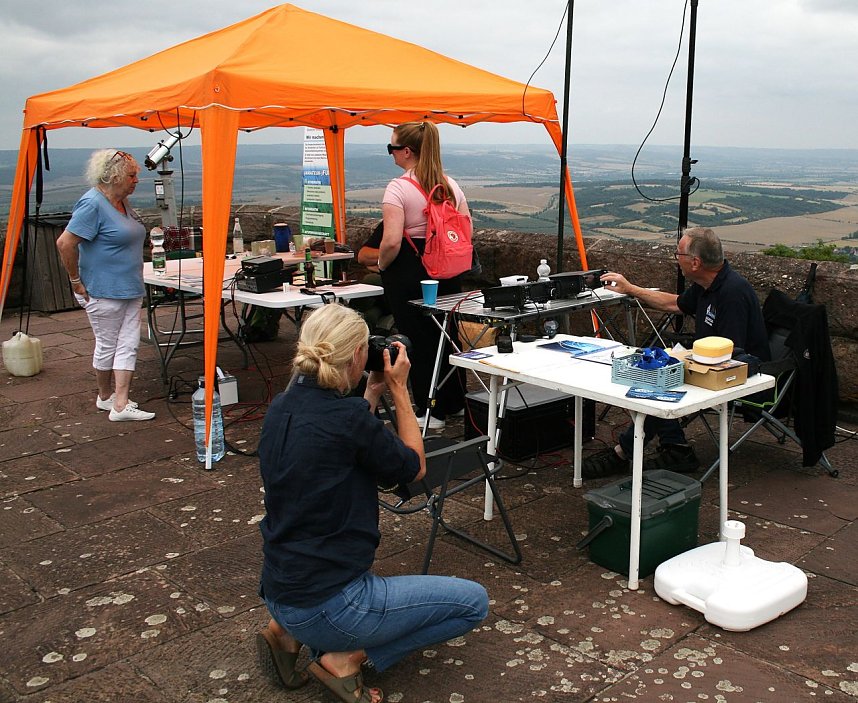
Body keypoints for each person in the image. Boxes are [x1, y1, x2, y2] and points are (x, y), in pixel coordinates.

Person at [256, 304, 488, 703]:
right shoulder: (347, 421)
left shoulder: (282, 406)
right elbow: (413, 467)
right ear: (358, 355)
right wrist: (399, 389)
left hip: (281, 590)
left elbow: (342, 436)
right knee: (473, 604)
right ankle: (345, 658)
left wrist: (373, 390)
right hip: (332, 605)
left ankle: (285, 634)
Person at [583, 227, 770, 478]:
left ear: (695, 262)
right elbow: (674, 303)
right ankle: (675, 449)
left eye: (678, 253)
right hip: (710, 364)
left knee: (660, 380)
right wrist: (631, 289)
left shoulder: (732, 293)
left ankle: (623, 453)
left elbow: (729, 355)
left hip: (741, 376)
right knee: (655, 371)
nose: (676, 259)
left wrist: (680, 363)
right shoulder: (707, 284)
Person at [378, 121, 468, 431]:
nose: (390, 154)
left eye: (391, 148)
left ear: (406, 152)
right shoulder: (450, 185)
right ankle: (455, 402)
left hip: (410, 271)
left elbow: (390, 241)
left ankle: (431, 411)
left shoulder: (398, 188)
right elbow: (467, 226)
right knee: (447, 335)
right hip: (448, 270)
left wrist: (381, 264)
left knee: (416, 339)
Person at [56, 149, 155, 422]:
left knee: (129, 344)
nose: (136, 180)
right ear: (114, 176)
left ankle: (119, 402)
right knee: (108, 344)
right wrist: (76, 281)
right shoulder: (92, 204)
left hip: (130, 286)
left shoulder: (122, 203)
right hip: (102, 289)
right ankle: (105, 396)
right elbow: (65, 243)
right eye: (132, 175)